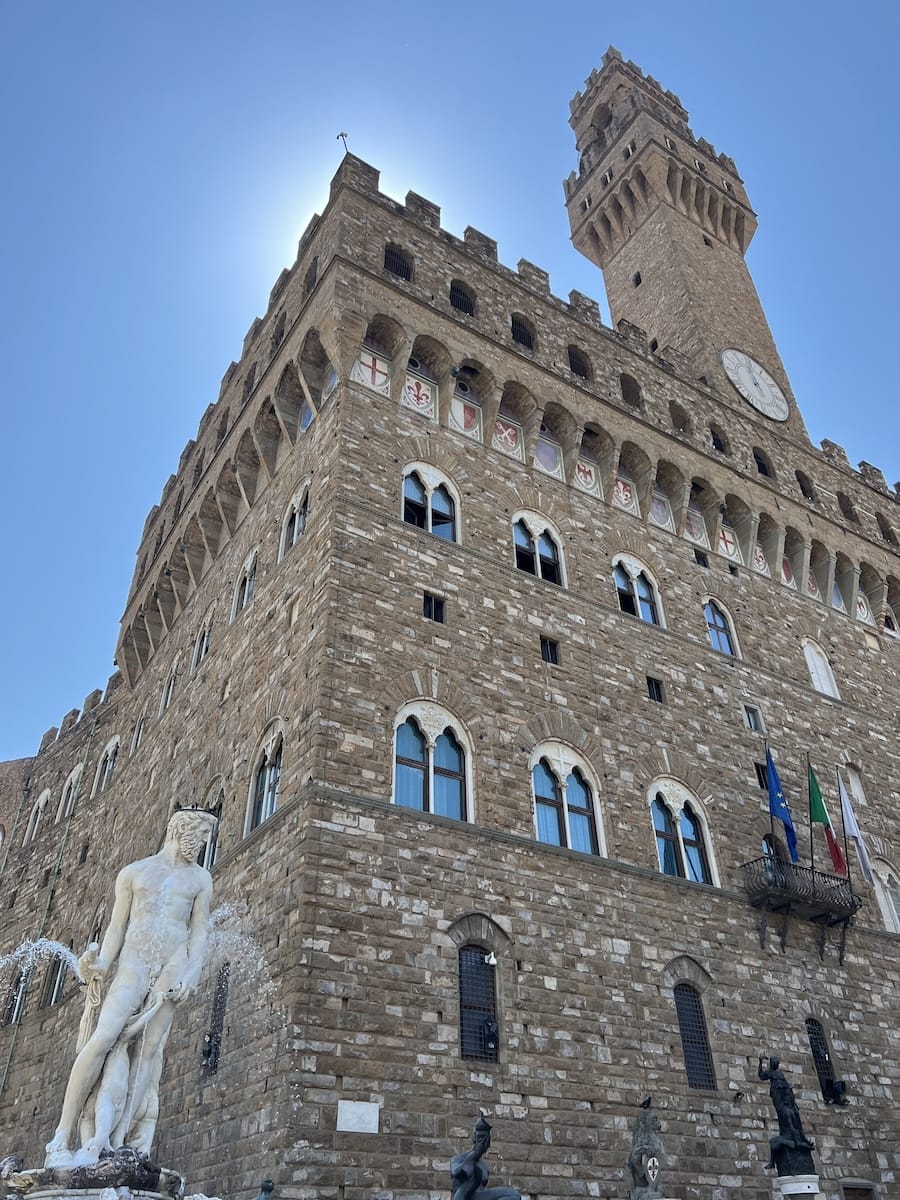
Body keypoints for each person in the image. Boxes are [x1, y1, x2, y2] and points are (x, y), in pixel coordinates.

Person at [45, 808, 217, 1167]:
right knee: (104, 1037)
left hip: (173, 962)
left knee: (150, 1050)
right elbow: (115, 928)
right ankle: (63, 1131)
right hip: (134, 964)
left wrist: (193, 972)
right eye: (198, 837)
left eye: (204, 840)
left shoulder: (201, 880)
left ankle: (118, 1139)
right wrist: (100, 964)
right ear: (179, 830)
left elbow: (199, 930)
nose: (201, 845)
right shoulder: (135, 873)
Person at [450, 1116, 521, 1200]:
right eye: (480, 1138)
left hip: (480, 1197)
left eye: (485, 1139)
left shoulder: (484, 1168)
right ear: (474, 1138)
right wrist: (474, 1156)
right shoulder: (458, 1159)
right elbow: (455, 1173)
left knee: (514, 1195)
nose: (483, 1142)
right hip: (462, 1197)